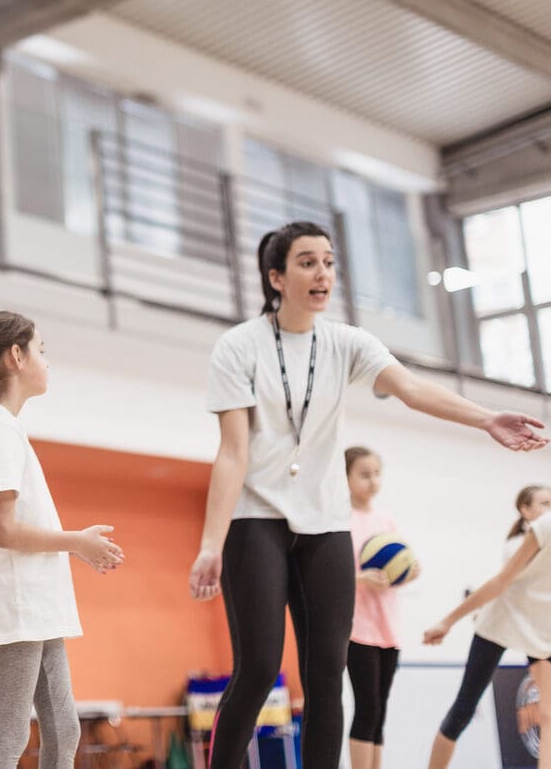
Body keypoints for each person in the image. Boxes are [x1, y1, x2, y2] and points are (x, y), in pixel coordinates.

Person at [187, 220, 546, 769]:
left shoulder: (346, 342)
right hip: (256, 520)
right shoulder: (238, 347)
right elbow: (233, 452)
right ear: (276, 277)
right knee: (259, 667)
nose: (323, 273)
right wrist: (212, 544)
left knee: (327, 675)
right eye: (308, 262)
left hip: (326, 527)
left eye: (329, 261)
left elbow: (411, 388)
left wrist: (485, 418)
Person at [0, 310, 125, 768]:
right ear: (16, 357)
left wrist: (76, 542)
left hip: (37, 606)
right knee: (11, 732)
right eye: (41, 350)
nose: (47, 361)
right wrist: (77, 541)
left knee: (64, 730)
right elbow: (4, 530)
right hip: (21, 605)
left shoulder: (5, 427)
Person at [423, 485, 551, 769]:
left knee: (549, 714)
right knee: (463, 710)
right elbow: (499, 583)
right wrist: (447, 621)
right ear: (526, 511)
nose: (548, 507)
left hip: (542, 631)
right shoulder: (529, 537)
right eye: (544, 502)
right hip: (500, 625)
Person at [344, 446, 420, 769]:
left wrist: (410, 570)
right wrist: (361, 579)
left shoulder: (385, 520)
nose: (373, 481)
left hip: (388, 628)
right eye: (364, 474)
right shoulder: (339, 519)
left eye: (377, 473)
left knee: (380, 709)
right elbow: (333, 577)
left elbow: (403, 566)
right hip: (358, 629)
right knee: (366, 707)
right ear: (345, 478)